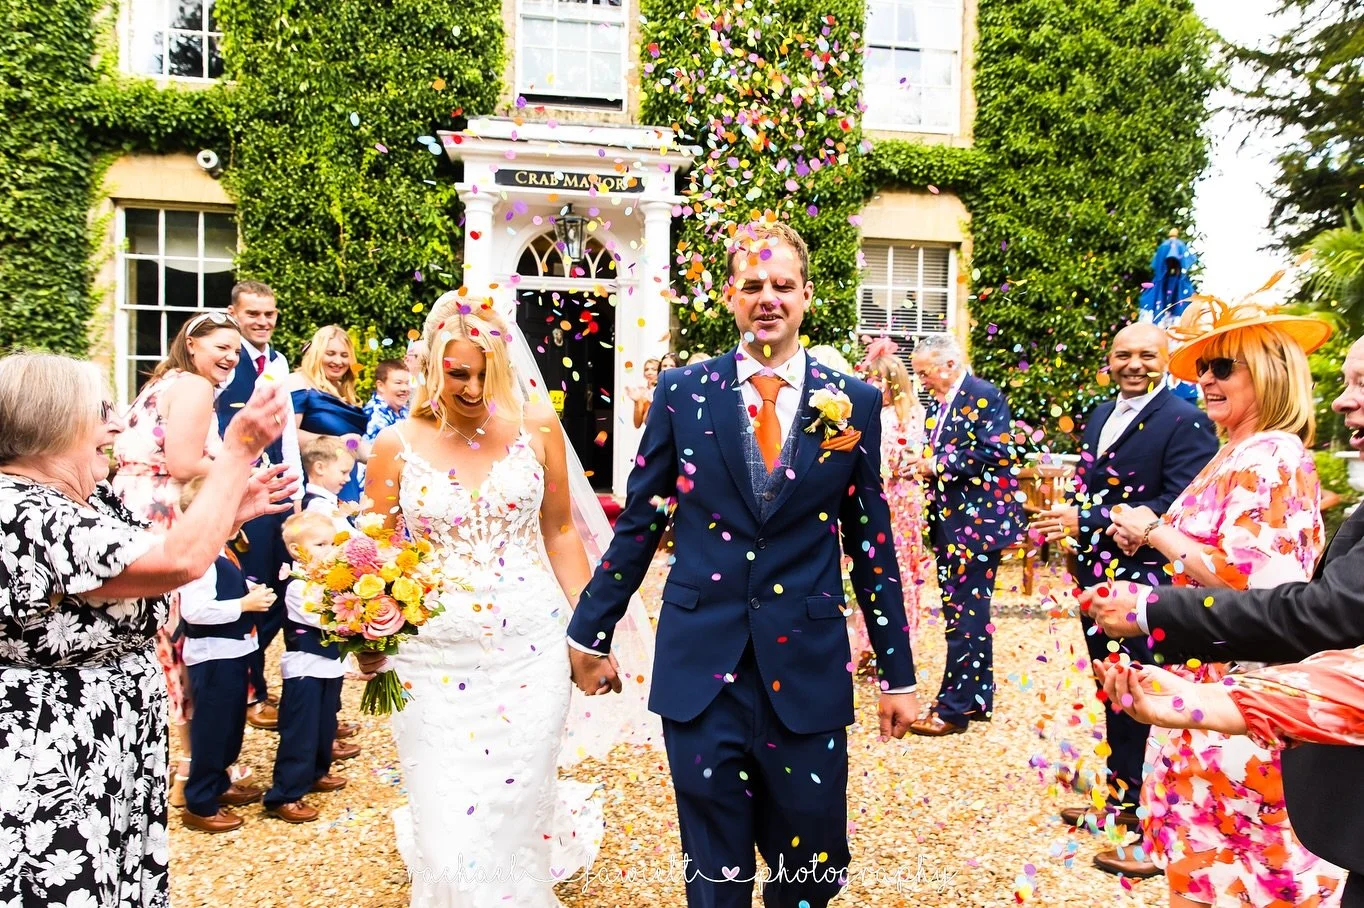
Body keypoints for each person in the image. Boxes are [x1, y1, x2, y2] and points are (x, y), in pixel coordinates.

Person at [565, 221, 920, 908]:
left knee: (811, 870)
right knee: (715, 874)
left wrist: (898, 676)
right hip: (703, 671)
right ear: (730, 296)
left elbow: (872, 549)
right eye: (752, 284)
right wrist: (590, 632)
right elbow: (640, 522)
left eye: (782, 285)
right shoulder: (681, 394)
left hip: (808, 671)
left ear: (807, 297)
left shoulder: (856, 403)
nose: (767, 298)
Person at [360, 292, 641, 906]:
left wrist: (588, 634)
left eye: (486, 373)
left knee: (518, 806)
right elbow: (372, 552)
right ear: (433, 366)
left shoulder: (537, 430)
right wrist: (364, 625)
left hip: (529, 650)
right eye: (458, 372)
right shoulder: (394, 445)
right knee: (443, 817)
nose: (471, 387)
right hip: (429, 656)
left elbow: (561, 532)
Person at [0, 352, 294, 908]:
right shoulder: (25, 509)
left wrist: (227, 516)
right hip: (57, 741)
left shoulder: (72, 501)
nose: (116, 427)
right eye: (100, 411)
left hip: (102, 735)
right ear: (49, 421)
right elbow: (176, 562)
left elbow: (150, 561)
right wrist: (237, 451)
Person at [1085, 332, 1364, 902]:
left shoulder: (1271, 455)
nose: (1205, 380)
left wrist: (1155, 535)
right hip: (1206, 682)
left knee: (1241, 879)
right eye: (1201, 370)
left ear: (1267, 373)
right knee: (1202, 872)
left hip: (1245, 695)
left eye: (1222, 367)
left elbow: (1267, 590)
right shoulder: (1237, 450)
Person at [1031, 322, 1218, 871]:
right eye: (1123, 354)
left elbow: (1178, 505)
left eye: (1146, 355)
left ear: (1166, 360)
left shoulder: (1186, 421)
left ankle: (1147, 808)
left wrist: (1083, 517)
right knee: (1110, 685)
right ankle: (1123, 796)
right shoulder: (1097, 415)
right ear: (1108, 361)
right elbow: (1096, 488)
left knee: (1143, 689)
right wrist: (1079, 530)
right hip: (1097, 574)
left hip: (1148, 584)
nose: (1134, 364)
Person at [112, 309, 244, 806]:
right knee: (178, 636)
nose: (231, 358)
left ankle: (183, 759)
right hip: (163, 512)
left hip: (134, 504)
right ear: (192, 344)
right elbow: (185, 463)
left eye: (235, 350)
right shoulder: (193, 387)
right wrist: (240, 465)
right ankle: (195, 767)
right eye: (221, 348)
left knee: (159, 638)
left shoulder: (160, 382)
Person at [909, 333, 1024, 735]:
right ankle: (974, 700)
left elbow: (997, 452)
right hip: (950, 523)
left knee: (966, 617)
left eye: (925, 373)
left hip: (975, 527)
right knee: (964, 615)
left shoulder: (984, 394)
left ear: (950, 365)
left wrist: (935, 465)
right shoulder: (937, 406)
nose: (921, 381)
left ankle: (953, 709)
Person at [219, 280, 303, 728]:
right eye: (254, 313)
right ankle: (251, 697)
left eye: (270, 314)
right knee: (247, 592)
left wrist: (297, 491)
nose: (263, 321)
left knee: (278, 590)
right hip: (240, 494)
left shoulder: (278, 362)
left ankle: (267, 690)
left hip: (278, 493)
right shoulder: (226, 364)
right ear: (234, 314)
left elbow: (286, 430)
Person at [175, 476, 277, 833]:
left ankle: (217, 783)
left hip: (233, 650)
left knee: (231, 724)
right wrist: (243, 603)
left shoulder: (222, 548)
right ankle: (199, 802)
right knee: (213, 728)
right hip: (213, 656)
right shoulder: (201, 556)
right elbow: (195, 611)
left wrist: (246, 590)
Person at [263, 511, 351, 825]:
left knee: (324, 724)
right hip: (305, 667)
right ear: (297, 551)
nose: (329, 549)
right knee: (300, 730)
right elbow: (323, 617)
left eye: (331, 543)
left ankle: (316, 771)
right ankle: (285, 793)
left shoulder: (329, 579)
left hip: (329, 666)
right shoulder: (298, 585)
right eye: (319, 544)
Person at [861, 340, 929, 646]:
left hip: (899, 500)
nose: (872, 386)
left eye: (877, 381)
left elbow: (901, 460)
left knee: (899, 568)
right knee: (873, 566)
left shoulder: (908, 415)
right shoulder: (878, 412)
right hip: (878, 496)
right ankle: (874, 637)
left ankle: (900, 639)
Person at [285, 325, 369, 503]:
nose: (338, 361)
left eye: (344, 355)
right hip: (314, 482)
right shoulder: (299, 383)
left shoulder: (346, 393)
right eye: (330, 353)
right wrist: (337, 443)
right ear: (317, 353)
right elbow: (288, 435)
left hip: (347, 482)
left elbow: (356, 445)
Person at [364, 358, 411, 442]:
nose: (405, 388)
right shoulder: (376, 415)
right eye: (398, 383)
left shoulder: (402, 410)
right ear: (380, 386)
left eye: (407, 383)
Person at [630, 357, 661, 429]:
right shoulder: (642, 392)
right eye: (646, 369)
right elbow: (637, 424)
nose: (649, 372)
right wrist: (636, 401)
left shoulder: (662, 389)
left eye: (654, 369)